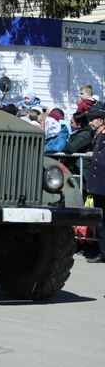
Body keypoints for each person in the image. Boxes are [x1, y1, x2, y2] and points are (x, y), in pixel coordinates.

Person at [83, 109, 105, 263]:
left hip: (103, 185)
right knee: (101, 221)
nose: (90, 123)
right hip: (99, 186)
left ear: (101, 121)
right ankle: (102, 252)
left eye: (93, 120)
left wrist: (94, 156)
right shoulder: (99, 136)